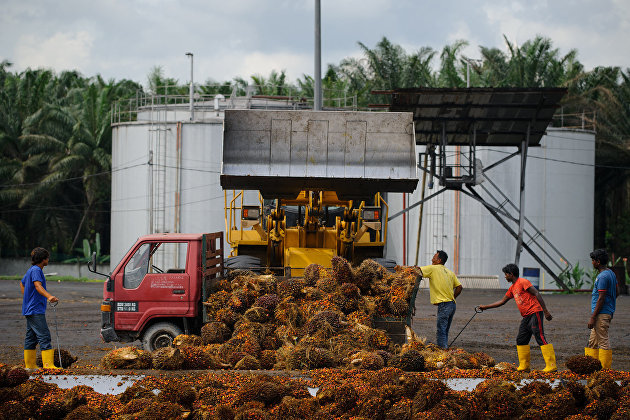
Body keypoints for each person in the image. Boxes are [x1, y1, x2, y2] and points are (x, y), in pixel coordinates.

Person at [477, 263, 556, 372]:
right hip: (526, 316)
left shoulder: (523, 282)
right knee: (521, 339)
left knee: (540, 337)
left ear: (511, 274)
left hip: (535, 312)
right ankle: (524, 366)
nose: (505, 276)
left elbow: (536, 293)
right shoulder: (512, 288)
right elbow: (502, 301)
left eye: (506, 274)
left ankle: (551, 365)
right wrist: (485, 307)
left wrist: (546, 311)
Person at [21, 247, 60, 369]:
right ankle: (49, 365)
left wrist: (27, 298)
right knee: (44, 335)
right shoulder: (37, 270)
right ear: (43, 259)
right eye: (47, 258)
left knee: (31, 337)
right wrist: (49, 296)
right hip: (35, 309)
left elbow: (22, 284)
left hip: (30, 308)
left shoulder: (31, 270)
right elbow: (38, 286)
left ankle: (30, 365)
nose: (48, 260)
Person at [418, 250, 463, 348]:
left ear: (439, 260)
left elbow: (417, 270)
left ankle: (443, 352)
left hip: (444, 305)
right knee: (445, 329)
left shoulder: (433, 268)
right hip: (452, 304)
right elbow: (459, 287)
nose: (431, 259)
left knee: (441, 330)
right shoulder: (450, 272)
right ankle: (445, 348)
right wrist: (452, 297)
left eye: (434, 257)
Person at [585, 249, 618, 369]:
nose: (592, 263)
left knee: (603, 341)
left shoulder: (602, 277)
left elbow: (601, 298)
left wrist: (593, 317)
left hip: (601, 314)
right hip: (607, 311)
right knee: (592, 342)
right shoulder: (611, 273)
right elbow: (617, 292)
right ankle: (590, 368)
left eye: (593, 260)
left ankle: (605, 371)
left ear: (598, 262)